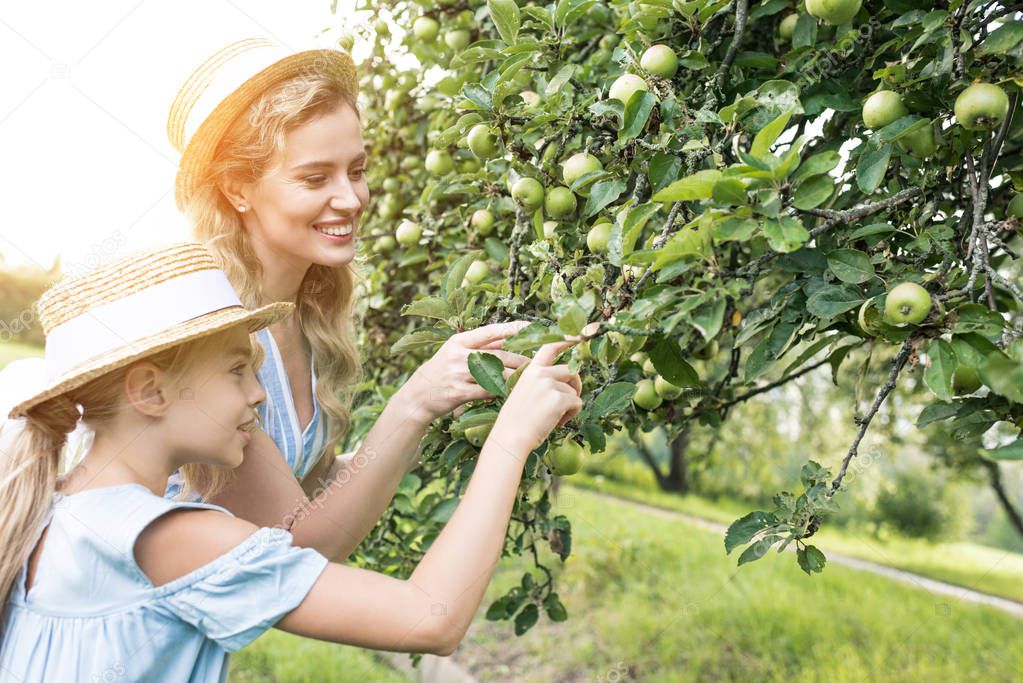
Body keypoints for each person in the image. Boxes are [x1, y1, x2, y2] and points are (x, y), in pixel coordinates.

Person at [0, 242, 584, 681]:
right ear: (150, 392)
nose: (258, 393)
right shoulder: (169, 536)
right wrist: (512, 437)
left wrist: (418, 407)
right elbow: (431, 618)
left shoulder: (56, 511)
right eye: (236, 370)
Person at [164, 38, 563, 561]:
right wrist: (416, 401)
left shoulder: (308, 315)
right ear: (239, 188)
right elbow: (300, 545)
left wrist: (456, 406)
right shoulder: (210, 332)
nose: (352, 199)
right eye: (314, 178)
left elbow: (312, 488)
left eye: (356, 170)